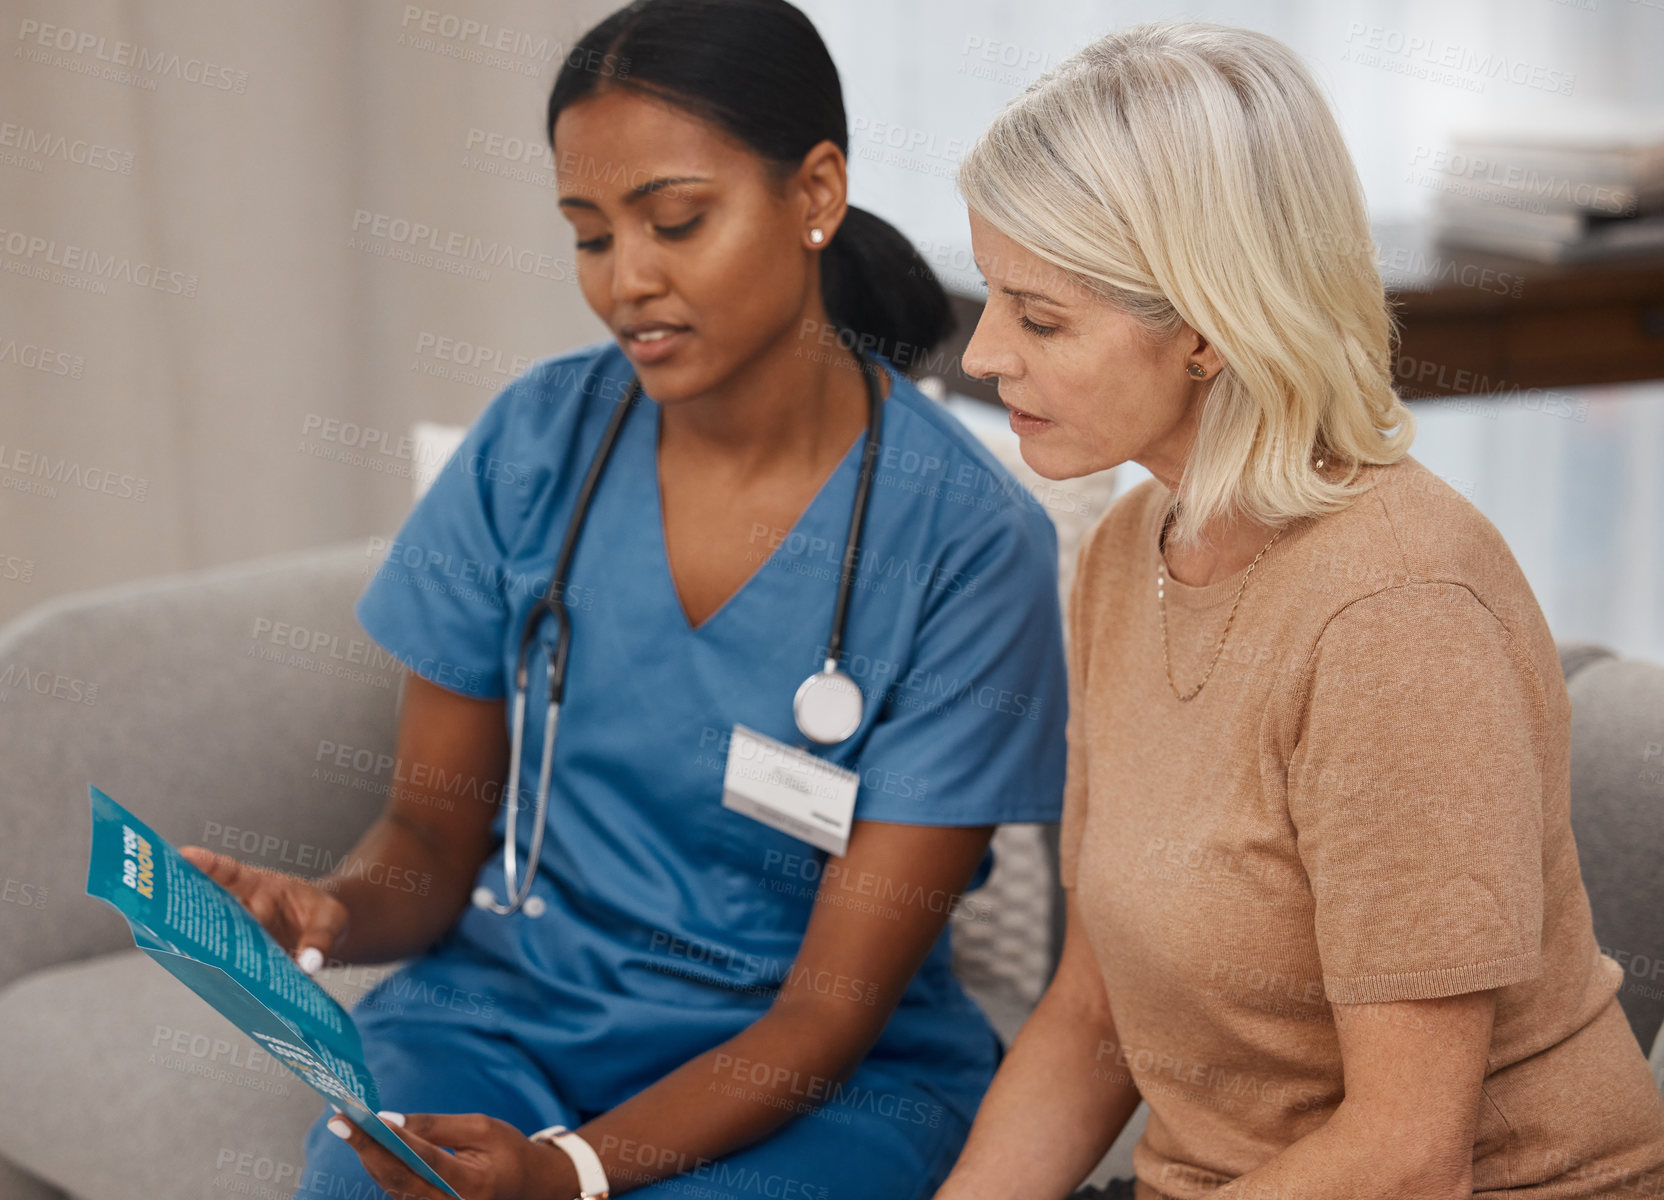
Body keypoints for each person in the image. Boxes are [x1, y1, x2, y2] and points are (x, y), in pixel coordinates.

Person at [181, 2, 1068, 1197]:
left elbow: (828, 1010)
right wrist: (327, 909)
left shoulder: (965, 539)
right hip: (509, 1020)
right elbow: (434, 841)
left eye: (675, 221)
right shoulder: (531, 447)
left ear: (813, 194)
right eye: (590, 236)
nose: (627, 281)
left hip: (819, 1075)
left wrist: (572, 1174)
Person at [931, 21, 1664, 1200]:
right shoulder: (1130, 550)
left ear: (1208, 329)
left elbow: (1405, 1159)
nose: (980, 354)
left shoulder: (1395, 614)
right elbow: (1088, 1018)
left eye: (1039, 317)